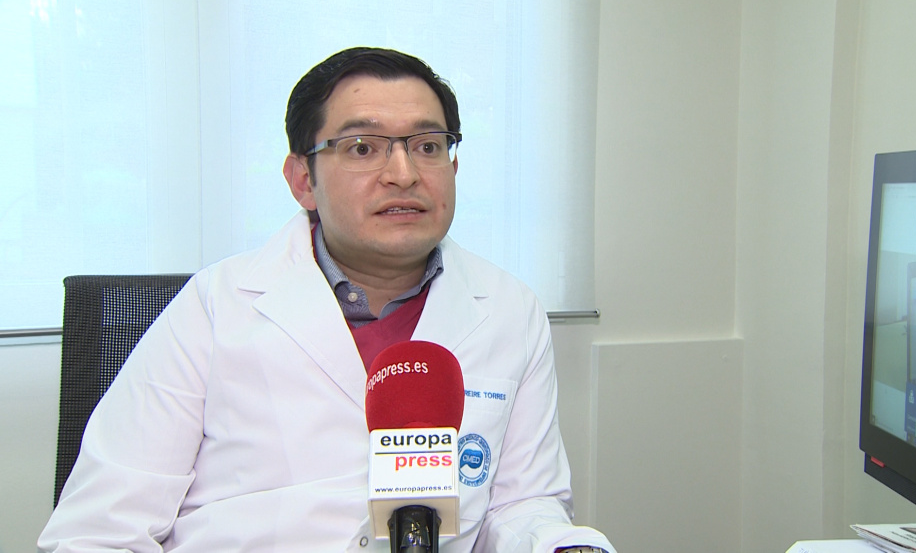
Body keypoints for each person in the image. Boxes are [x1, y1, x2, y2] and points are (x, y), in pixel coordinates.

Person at [38, 47, 615, 552]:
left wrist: (559, 544)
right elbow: (100, 530)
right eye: (363, 147)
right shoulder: (215, 305)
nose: (403, 173)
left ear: (453, 165)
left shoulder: (510, 309)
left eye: (428, 146)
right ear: (302, 180)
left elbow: (521, 504)